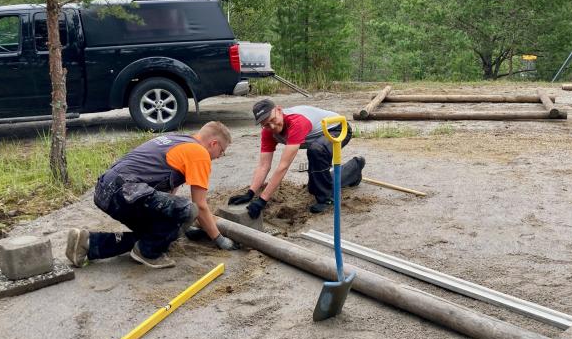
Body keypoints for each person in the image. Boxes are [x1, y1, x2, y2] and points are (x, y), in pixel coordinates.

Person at [65, 121, 238, 270]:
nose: (220, 156)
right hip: (126, 190)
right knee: (188, 210)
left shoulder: (179, 140)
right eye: (222, 151)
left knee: (155, 235)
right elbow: (199, 205)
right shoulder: (199, 153)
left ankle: (88, 243)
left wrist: (176, 228)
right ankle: (147, 254)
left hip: (106, 189)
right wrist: (219, 239)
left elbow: (169, 191)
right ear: (214, 143)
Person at [228, 99, 365, 217]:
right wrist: (250, 193)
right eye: (266, 125)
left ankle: (327, 199)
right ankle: (354, 169)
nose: (272, 126)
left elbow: (283, 166)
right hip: (317, 137)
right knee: (315, 186)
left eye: (273, 120)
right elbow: (264, 165)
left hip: (338, 128)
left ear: (279, 110)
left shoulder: (296, 122)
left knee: (316, 151)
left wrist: (263, 200)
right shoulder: (268, 132)